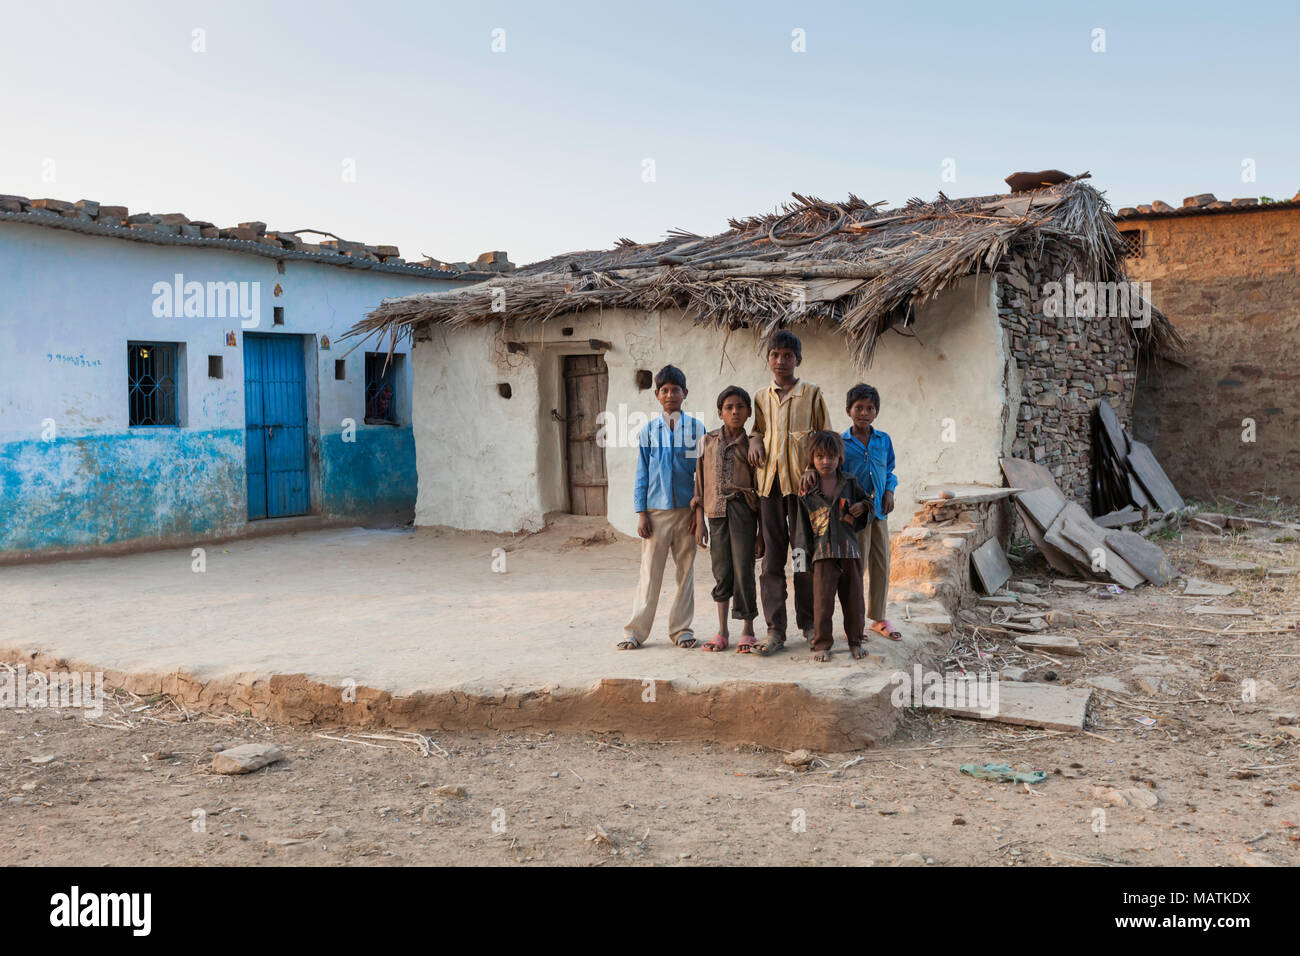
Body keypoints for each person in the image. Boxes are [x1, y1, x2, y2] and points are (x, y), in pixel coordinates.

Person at [747, 330, 830, 656]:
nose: (780, 361)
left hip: (801, 491)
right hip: (770, 489)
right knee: (771, 561)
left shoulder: (812, 394)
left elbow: (825, 437)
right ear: (768, 359)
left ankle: (808, 624)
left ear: (798, 359)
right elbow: (758, 430)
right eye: (775, 355)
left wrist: (812, 465)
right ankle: (774, 629)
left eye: (787, 355)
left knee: (802, 557)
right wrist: (755, 440)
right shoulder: (761, 397)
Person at [620, 365, 706, 650]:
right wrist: (641, 513)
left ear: (685, 394)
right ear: (657, 395)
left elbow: (700, 475)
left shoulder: (696, 429)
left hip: (686, 512)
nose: (670, 394)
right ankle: (636, 631)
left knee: (685, 572)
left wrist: (698, 514)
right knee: (650, 573)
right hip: (656, 514)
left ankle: (682, 630)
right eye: (665, 390)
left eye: (675, 390)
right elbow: (642, 473)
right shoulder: (649, 431)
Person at [693, 386, 764, 653]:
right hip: (716, 514)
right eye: (729, 407)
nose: (735, 412)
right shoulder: (707, 441)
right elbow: (699, 482)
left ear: (748, 412)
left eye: (740, 407)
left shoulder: (753, 444)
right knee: (721, 570)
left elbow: (761, 487)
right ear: (720, 412)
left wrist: (761, 534)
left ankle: (748, 629)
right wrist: (699, 520)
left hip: (744, 512)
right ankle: (722, 630)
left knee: (744, 569)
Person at [797, 431, 873, 662]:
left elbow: (868, 503)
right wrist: (802, 559)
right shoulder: (807, 489)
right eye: (819, 456)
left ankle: (855, 641)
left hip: (849, 551)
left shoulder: (850, 482)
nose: (826, 462)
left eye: (831, 457)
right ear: (811, 458)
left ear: (840, 458)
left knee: (854, 600)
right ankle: (822, 644)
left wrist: (863, 506)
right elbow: (801, 526)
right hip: (821, 553)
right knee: (822, 602)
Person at [841, 384, 902, 641]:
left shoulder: (883, 440)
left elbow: (889, 471)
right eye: (859, 408)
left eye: (870, 408)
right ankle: (853, 622)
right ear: (848, 410)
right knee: (856, 567)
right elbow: (838, 476)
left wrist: (889, 491)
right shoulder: (842, 442)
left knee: (881, 563)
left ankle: (878, 617)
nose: (864, 413)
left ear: (876, 412)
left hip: (879, 511)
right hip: (856, 515)